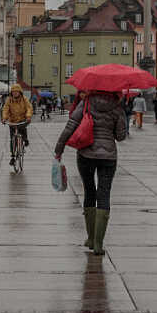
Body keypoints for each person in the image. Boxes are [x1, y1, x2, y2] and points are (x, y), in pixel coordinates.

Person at [54, 90, 126, 256]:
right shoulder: (117, 107)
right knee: (104, 193)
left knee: (89, 190)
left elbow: (70, 126)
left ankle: (90, 238)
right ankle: (99, 244)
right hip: (108, 156)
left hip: (86, 153)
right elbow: (121, 136)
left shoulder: (86, 103)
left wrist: (59, 149)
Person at [2, 84, 33, 166]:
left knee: (22, 128)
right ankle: (12, 156)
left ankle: (25, 139)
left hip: (22, 119)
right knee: (12, 139)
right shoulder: (9, 100)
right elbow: (6, 109)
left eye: (16, 92)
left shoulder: (24, 99)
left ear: (20, 92)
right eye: (13, 92)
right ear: (11, 93)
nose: (15, 93)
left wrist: (28, 116)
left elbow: (29, 107)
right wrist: (4, 118)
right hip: (12, 121)